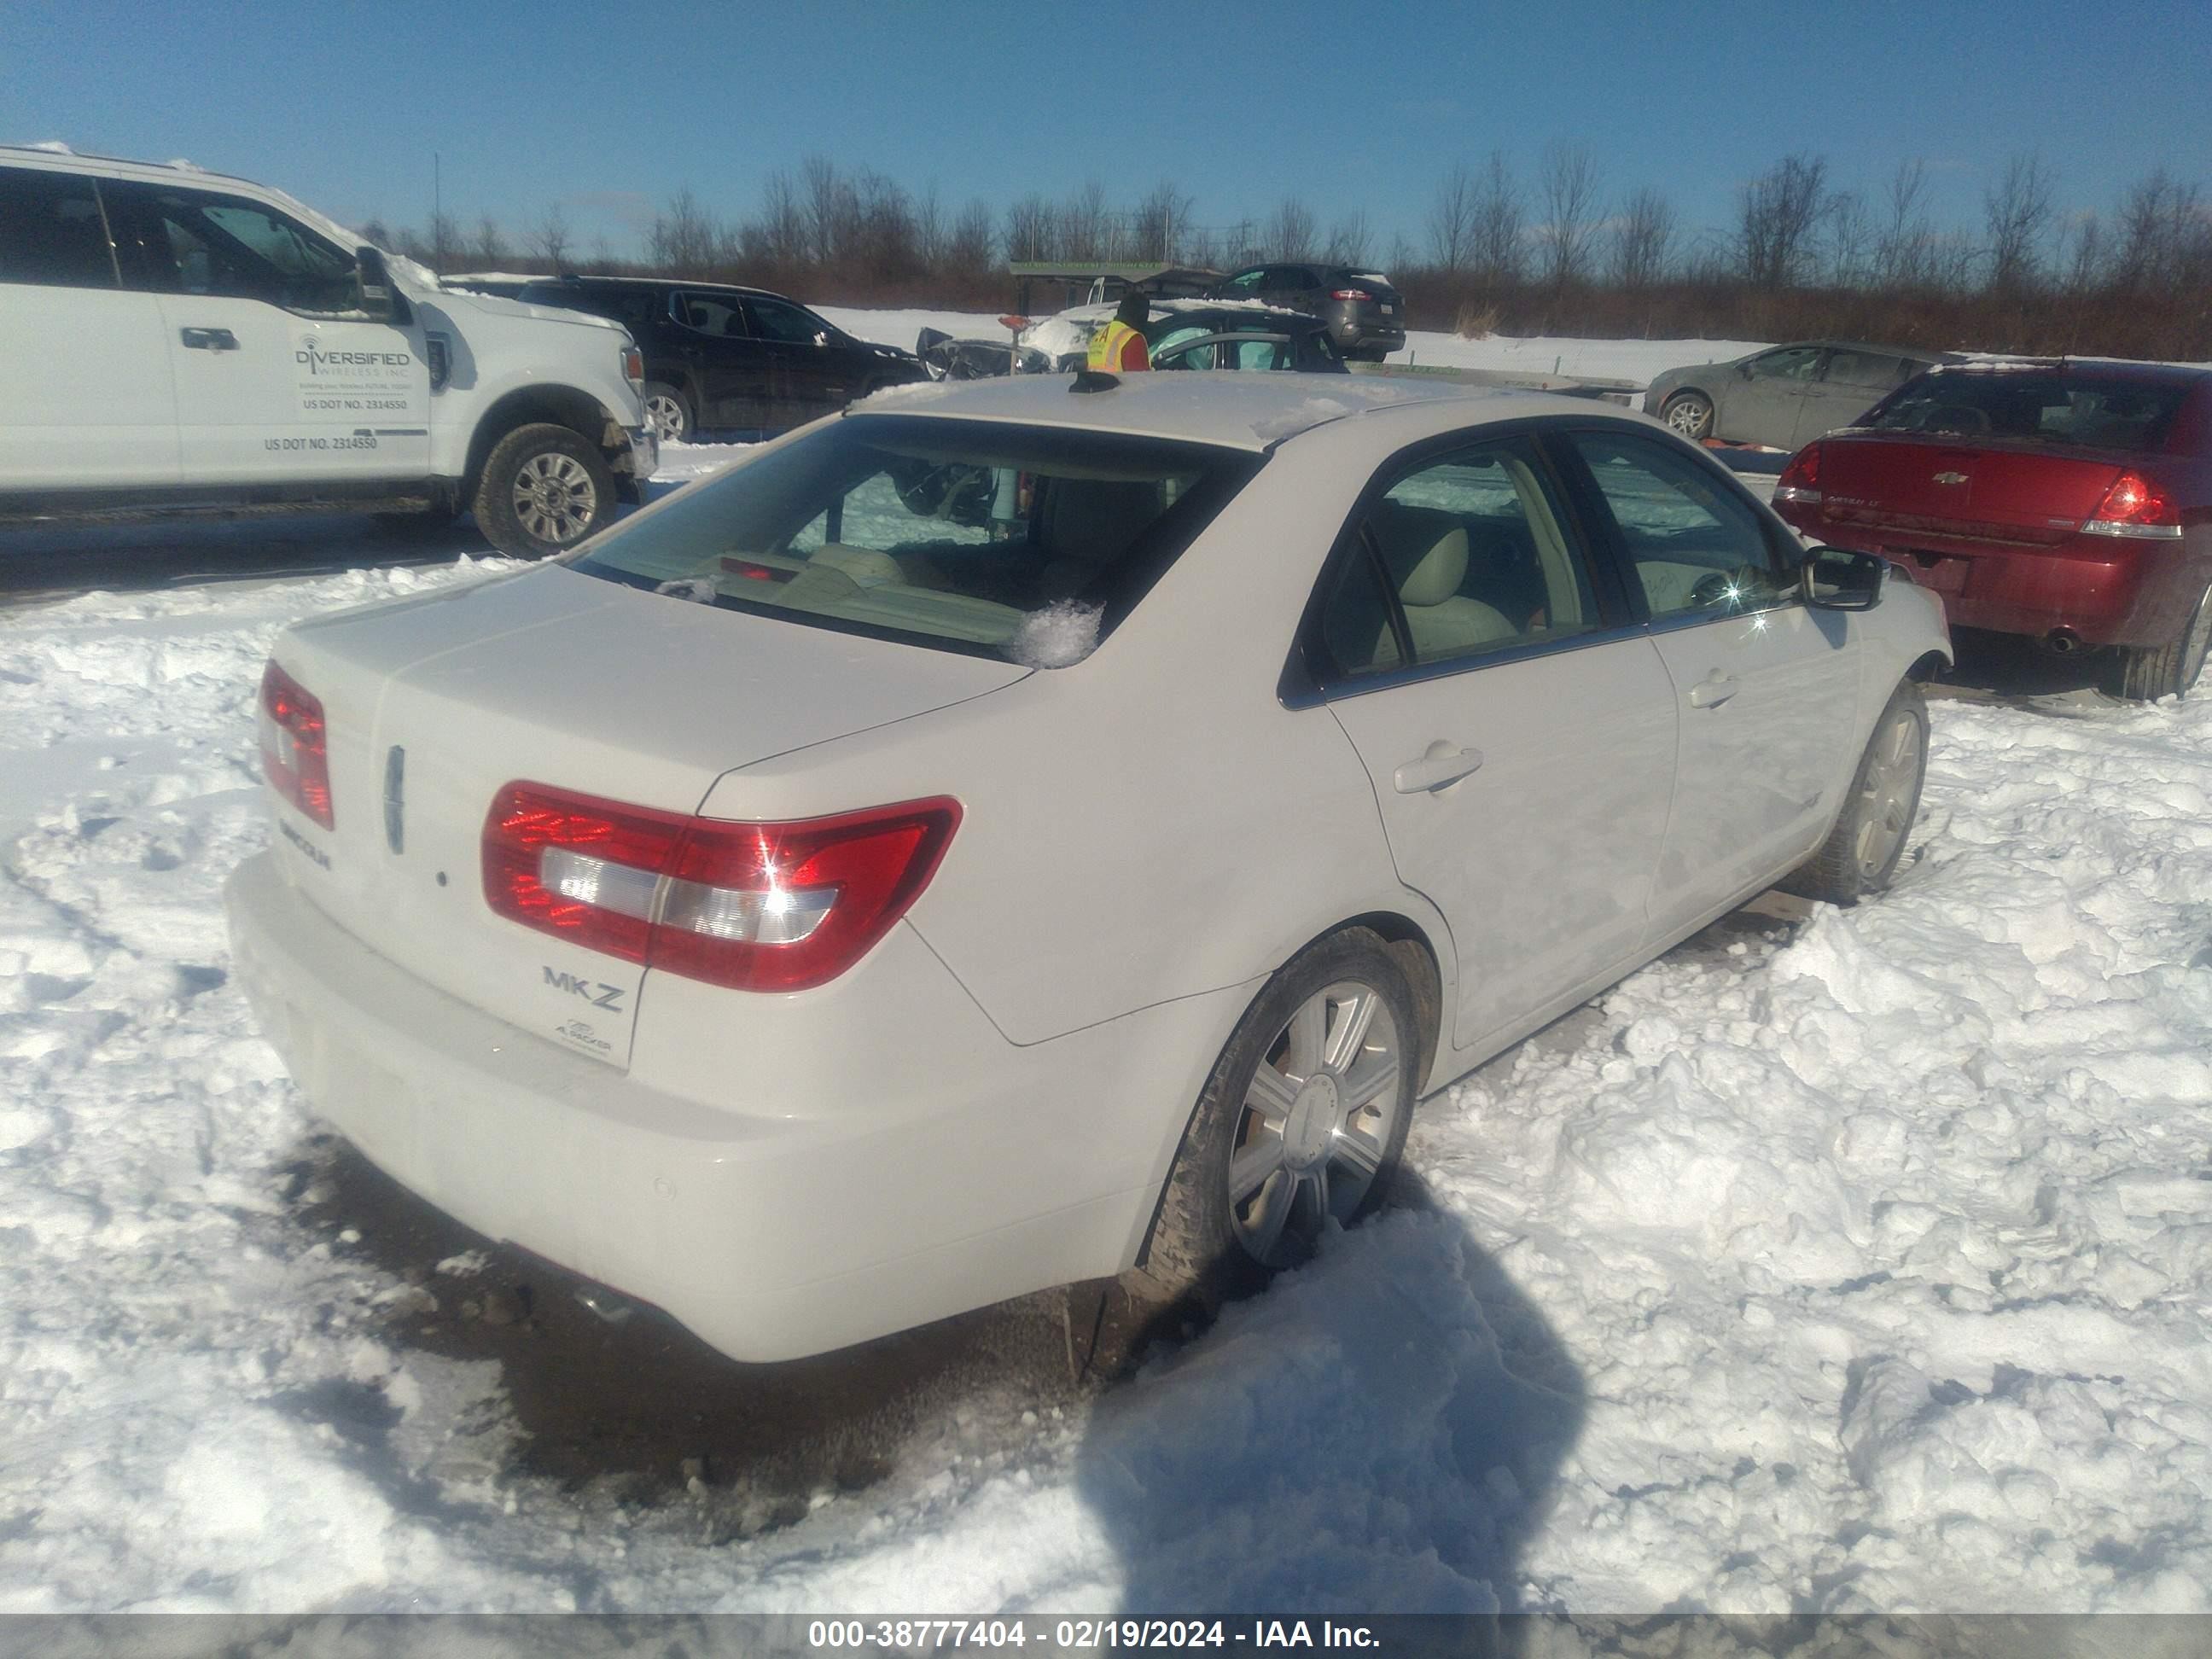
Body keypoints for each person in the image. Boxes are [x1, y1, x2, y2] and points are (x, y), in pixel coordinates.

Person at [1086, 290, 1152, 373]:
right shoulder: (1133, 339)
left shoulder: (1098, 336)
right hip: (1121, 385)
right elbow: (1141, 380)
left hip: (1096, 385)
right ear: (1142, 314)